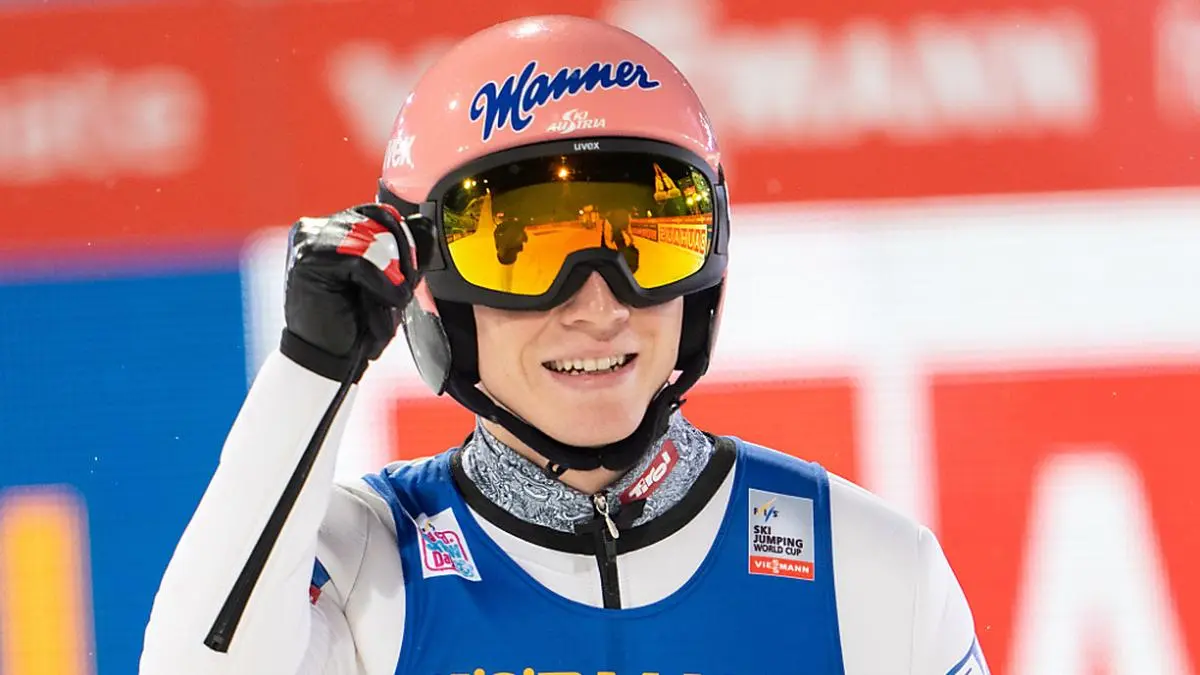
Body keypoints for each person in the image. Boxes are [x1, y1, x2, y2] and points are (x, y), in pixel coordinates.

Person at [140, 15, 989, 675]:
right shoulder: (364, 564)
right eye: (523, 248)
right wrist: (309, 369)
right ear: (430, 288)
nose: (597, 303)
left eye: (643, 238)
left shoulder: (873, 571)